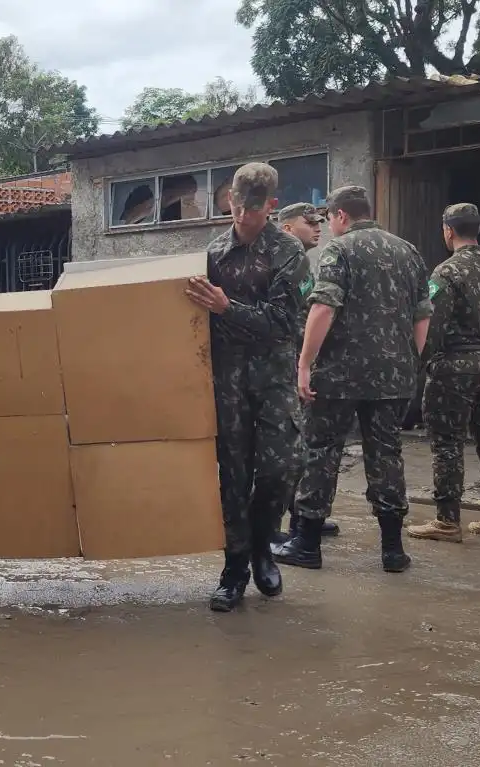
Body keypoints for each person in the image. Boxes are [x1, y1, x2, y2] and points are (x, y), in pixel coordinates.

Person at [274, 186, 431, 573]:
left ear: (340, 216)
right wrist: (411, 362)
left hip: (339, 377)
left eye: (328, 219)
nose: (327, 226)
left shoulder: (339, 250)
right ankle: (393, 549)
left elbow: (324, 306)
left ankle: (307, 544)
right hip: (392, 377)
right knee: (387, 455)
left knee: (322, 452)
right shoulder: (407, 251)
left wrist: (305, 364)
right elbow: (423, 315)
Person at [184, 163, 309, 612]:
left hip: (274, 377)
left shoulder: (289, 251)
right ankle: (235, 568)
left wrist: (226, 306)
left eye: (251, 211)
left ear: (270, 207)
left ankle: (262, 546)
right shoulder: (215, 252)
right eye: (236, 209)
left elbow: (282, 323)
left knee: (279, 470)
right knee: (232, 476)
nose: (242, 218)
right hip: (228, 379)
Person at [407, 204, 480, 543]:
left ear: (448, 231)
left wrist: (420, 364)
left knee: (447, 442)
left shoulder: (445, 273)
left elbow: (432, 325)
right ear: (478, 229)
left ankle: (446, 521)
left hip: (455, 365)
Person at [272, 202, 340, 544]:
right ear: (286, 227)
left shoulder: (302, 263)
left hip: (297, 365)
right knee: (282, 449)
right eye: (308, 222)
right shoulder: (278, 259)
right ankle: (271, 526)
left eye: (319, 222)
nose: (318, 227)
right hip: (278, 367)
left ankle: (302, 514)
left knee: (303, 446)